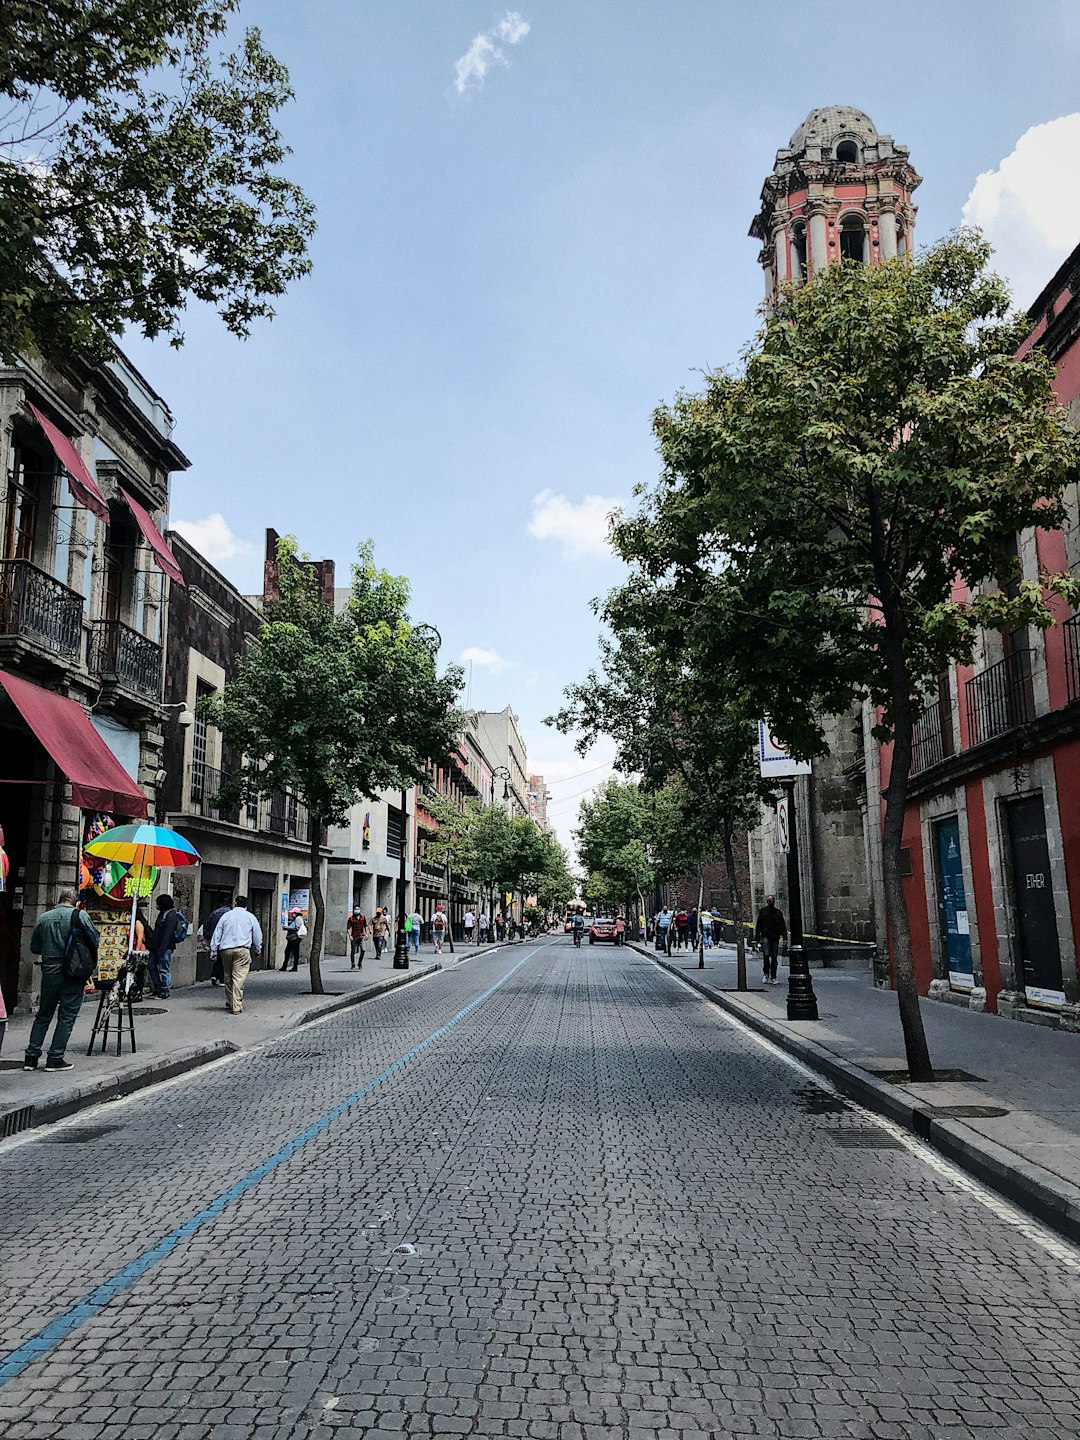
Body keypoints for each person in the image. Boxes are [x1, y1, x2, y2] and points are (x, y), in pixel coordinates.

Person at [23, 889, 99, 1071]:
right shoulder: (80, 916)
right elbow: (94, 940)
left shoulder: (44, 917)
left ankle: (31, 1057)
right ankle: (55, 1057)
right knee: (67, 1016)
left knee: (43, 1014)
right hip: (73, 972)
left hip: (50, 971)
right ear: (74, 901)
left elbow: (34, 947)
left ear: (59, 900)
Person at [211, 896, 263, 1014]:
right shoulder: (250, 917)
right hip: (242, 950)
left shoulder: (226, 916)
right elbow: (257, 935)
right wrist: (258, 949)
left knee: (228, 976)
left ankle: (229, 1000)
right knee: (239, 977)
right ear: (246, 905)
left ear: (235, 903)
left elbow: (217, 933)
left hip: (226, 950)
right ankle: (236, 1005)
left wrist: (213, 950)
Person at [147, 893, 184, 998]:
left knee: (164, 969)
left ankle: (165, 991)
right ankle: (158, 989)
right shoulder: (163, 913)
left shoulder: (171, 915)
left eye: (158, 904)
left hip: (165, 947)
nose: (157, 906)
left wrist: (161, 950)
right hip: (156, 946)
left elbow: (168, 934)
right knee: (151, 966)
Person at [755, 895, 788, 985]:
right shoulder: (763, 912)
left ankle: (773, 976)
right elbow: (759, 925)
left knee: (774, 957)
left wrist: (785, 937)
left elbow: (782, 926)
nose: (770, 902)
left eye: (772, 901)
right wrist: (757, 938)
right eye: (769, 901)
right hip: (766, 936)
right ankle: (766, 973)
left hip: (775, 937)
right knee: (766, 955)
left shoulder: (778, 913)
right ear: (767, 902)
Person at [198, 902, 230, 988]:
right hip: (226, 940)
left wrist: (208, 937)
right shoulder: (229, 914)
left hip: (214, 938)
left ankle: (214, 975)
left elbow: (206, 925)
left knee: (218, 958)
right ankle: (221, 979)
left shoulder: (214, 913)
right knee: (223, 960)